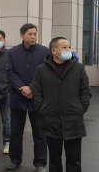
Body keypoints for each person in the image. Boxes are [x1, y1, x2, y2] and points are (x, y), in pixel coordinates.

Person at [33, 37, 91, 172]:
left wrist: (80, 109)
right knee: (54, 160)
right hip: (51, 122)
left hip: (74, 121)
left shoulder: (78, 68)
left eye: (69, 47)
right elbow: (37, 93)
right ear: (54, 51)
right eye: (64, 47)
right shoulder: (41, 69)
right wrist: (43, 110)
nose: (68, 50)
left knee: (74, 161)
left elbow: (85, 91)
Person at [5, 23, 50, 172]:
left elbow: (47, 72)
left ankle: (40, 164)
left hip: (37, 99)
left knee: (40, 133)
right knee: (16, 132)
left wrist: (31, 87)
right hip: (17, 98)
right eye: (30, 34)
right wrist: (22, 88)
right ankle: (15, 160)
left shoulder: (44, 52)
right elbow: (9, 72)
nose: (33, 36)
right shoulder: (12, 52)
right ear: (22, 35)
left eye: (35, 34)